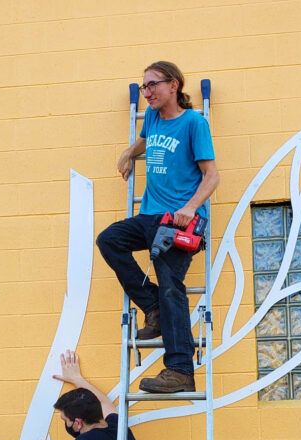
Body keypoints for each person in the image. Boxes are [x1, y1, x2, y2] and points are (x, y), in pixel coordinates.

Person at [97, 60, 219, 394]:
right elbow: (146, 140)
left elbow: (212, 176)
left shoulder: (194, 123)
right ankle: (152, 307)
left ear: (174, 85)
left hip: (179, 222)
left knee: (171, 286)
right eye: (144, 86)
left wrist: (189, 209)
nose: (146, 92)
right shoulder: (151, 116)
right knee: (109, 240)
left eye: (152, 85)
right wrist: (128, 152)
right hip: (150, 217)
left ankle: (179, 369)